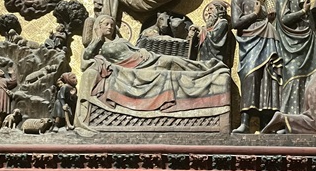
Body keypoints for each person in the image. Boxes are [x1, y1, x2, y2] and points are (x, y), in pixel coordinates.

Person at [81, 14, 229, 114]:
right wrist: (97, 38)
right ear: (99, 27)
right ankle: (205, 72)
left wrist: (142, 50)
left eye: (112, 25)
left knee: (172, 60)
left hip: (146, 59)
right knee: (170, 63)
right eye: (106, 24)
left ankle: (206, 68)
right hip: (134, 66)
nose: (110, 27)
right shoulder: (100, 46)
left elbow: (134, 49)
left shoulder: (120, 40)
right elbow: (86, 57)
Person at [230, 0, 282, 133]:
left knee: (268, 79)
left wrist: (269, 18)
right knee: (250, 77)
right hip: (250, 43)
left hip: (268, 41)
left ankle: (268, 124)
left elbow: (263, 21)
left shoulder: (260, 3)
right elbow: (235, 23)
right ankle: (245, 123)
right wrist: (255, 14)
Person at [196, 0, 232, 66]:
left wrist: (201, 29)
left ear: (219, 10)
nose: (209, 12)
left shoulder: (223, 23)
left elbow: (214, 38)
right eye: (208, 10)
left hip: (215, 58)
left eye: (211, 9)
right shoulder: (212, 26)